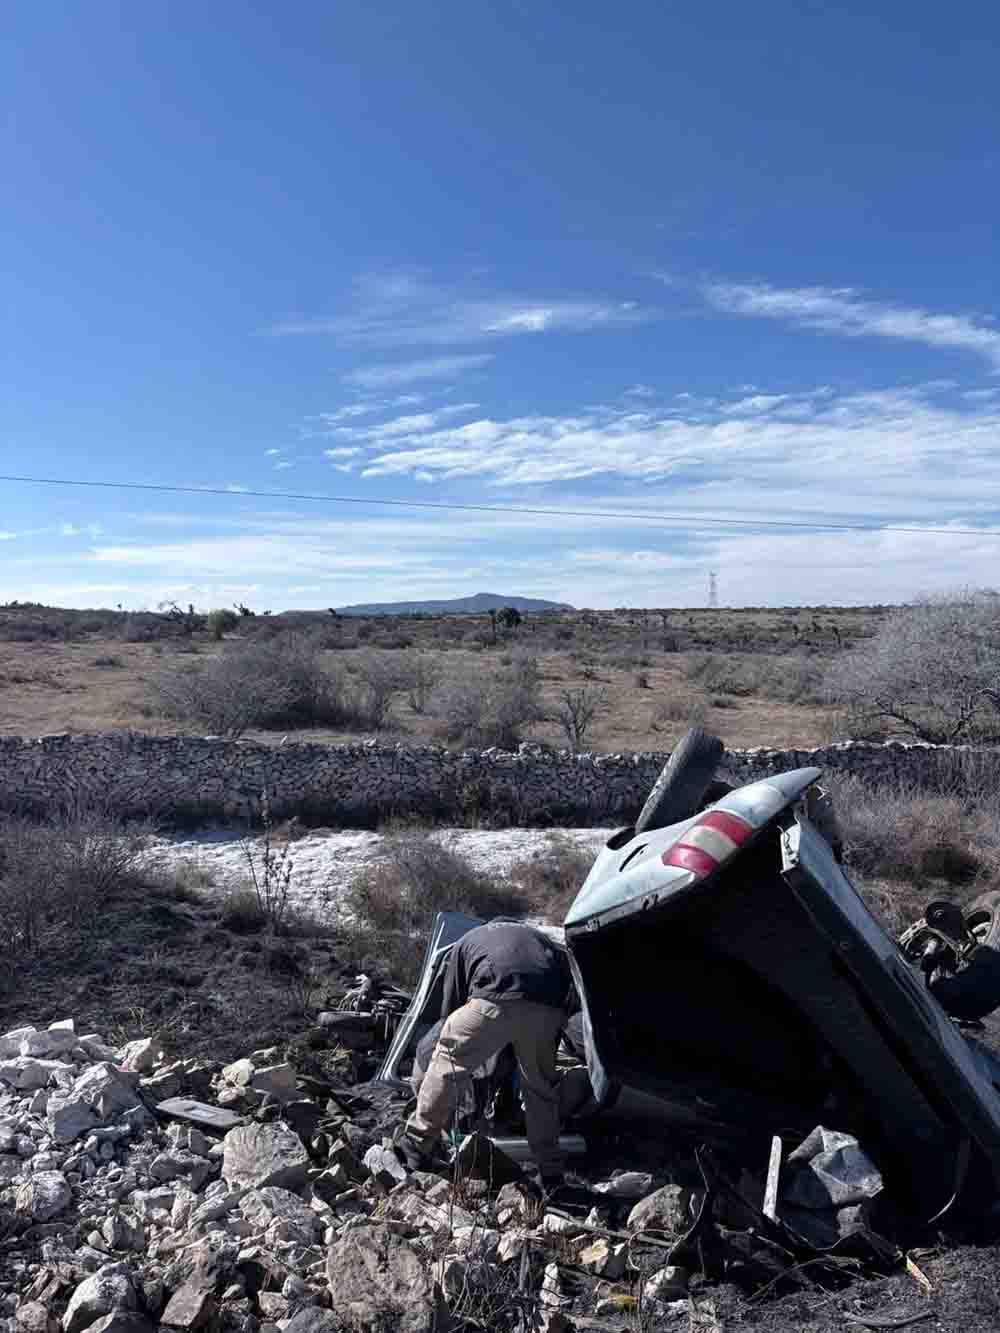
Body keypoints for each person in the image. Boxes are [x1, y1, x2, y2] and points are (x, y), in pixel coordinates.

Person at [397, 921, 574, 1184]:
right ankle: (551, 1173)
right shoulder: (543, 940)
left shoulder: (468, 941)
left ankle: (416, 1143)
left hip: (494, 995)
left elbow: (452, 1003)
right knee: (540, 1090)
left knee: (449, 1061)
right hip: (546, 1008)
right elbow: (567, 991)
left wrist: (464, 1040)